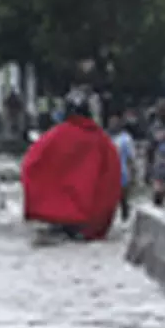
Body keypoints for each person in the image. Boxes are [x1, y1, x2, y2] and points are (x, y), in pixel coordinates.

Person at [21, 92, 122, 241]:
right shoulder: (102, 141)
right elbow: (113, 178)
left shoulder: (53, 137)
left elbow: (30, 164)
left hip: (58, 217)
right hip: (88, 221)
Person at [109, 114, 136, 221]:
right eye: (111, 123)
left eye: (115, 123)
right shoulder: (106, 137)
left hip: (122, 174)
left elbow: (130, 157)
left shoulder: (126, 139)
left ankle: (125, 219)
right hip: (109, 174)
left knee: (123, 199)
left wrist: (132, 174)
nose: (113, 125)